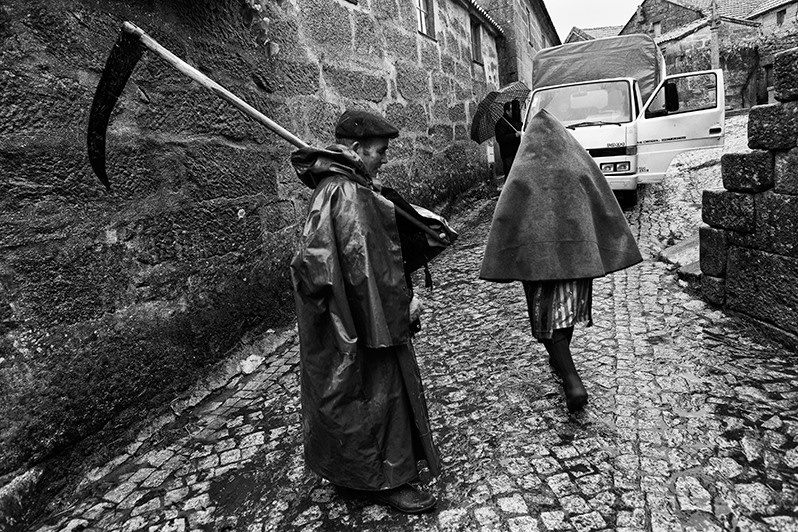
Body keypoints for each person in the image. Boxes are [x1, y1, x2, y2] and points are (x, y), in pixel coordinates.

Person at [289, 109, 442, 514]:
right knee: (371, 393)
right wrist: (398, 307)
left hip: (361, 314)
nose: (384, 159)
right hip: (358, 320)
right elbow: (357, 272)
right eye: (379, 152)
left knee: (365, 393)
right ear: (356, 149)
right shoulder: (342, 193)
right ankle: (383, 480)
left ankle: (359, 473)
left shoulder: (351, 188)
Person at [480, 109, 642, 413]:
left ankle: (571, 378)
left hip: (538, 263)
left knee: (544, 318)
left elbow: (506, 215)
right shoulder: (577, 162)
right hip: (576, 258)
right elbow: (601, 201)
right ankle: (562, 362)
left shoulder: (522, 170)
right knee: (565, 313)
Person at [494, 99, 523, 174]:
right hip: (508, 154)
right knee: (510, 173)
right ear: (507, 111)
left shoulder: (516, 121)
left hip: (518, 152)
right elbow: (500, 138)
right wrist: (515, 135)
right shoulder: (501, 123)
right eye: (512, 110)